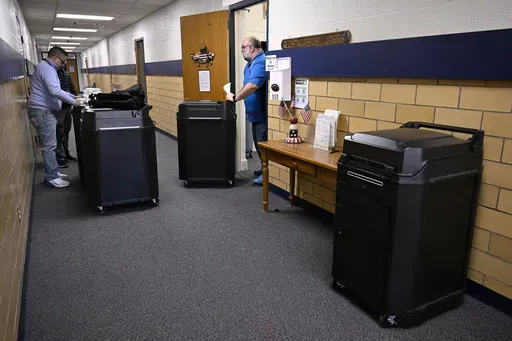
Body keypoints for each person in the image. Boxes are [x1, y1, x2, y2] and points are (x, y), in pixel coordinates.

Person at [28, 46, 78, 188]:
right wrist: (75, 102)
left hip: (43, 110)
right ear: (55, 58)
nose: (63, 65)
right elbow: (55, 91)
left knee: (52, 143)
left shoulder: (46, 67)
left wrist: (74, 96)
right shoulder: (47, 69)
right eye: (62, 62)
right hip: (42, 111)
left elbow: (59, 90)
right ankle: (51, 177)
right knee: (49, 145)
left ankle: (53, 172)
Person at [226, 36, 267, 186]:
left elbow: (253, 86)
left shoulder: (261, 61)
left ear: (251, 48)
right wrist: (236, 95)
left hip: (263, 114)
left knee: (262, 144)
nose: (242, 51)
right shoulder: (250, 64)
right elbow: (246, 85)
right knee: (258, 143)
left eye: (243, 48)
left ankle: (267, 174)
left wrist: (236, 98)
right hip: (254, 113)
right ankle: (264, 168)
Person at [56, 64, 78, 164]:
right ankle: (61, 157)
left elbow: (73, 90)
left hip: (66, 107)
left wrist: (74, 98)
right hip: (60, 108)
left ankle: (65, 154)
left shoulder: (67, 75)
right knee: (60, 133)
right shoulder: (54, 76)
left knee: (65, 132)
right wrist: (74, 99)